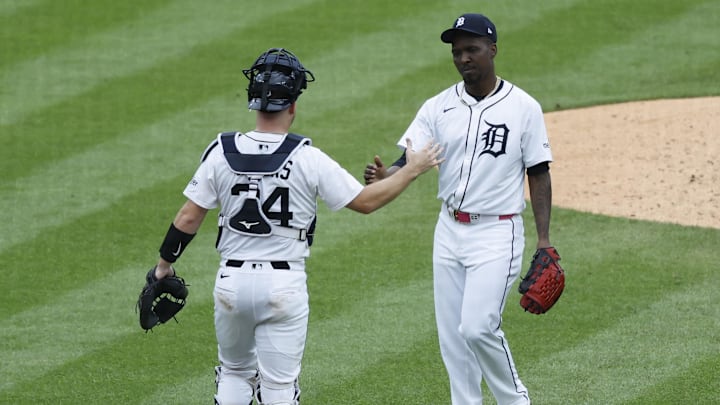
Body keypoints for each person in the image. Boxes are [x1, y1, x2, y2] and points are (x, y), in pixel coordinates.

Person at [147, 47, 443, 405]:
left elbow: (188, 218)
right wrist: (412, 169)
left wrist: (164, 267)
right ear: (293, 105)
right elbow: (366, 202)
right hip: (283, 286)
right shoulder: (307, 157)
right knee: (279, 388)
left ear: (253, 103)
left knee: (234, 372)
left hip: (232, 285)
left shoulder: (220, 152)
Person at [363, 13, 555, 405]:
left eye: (472, 49)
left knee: (478, 328)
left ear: (493, 50)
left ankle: (515, 400)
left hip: (497, 232)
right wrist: (386, 176)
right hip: (448, 231)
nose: (464, 58)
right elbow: (410, 158)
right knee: (453, 338)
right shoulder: (438, 107)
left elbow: (539, 173)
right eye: (457, 52)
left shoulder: (523, 108)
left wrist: (545, 240)